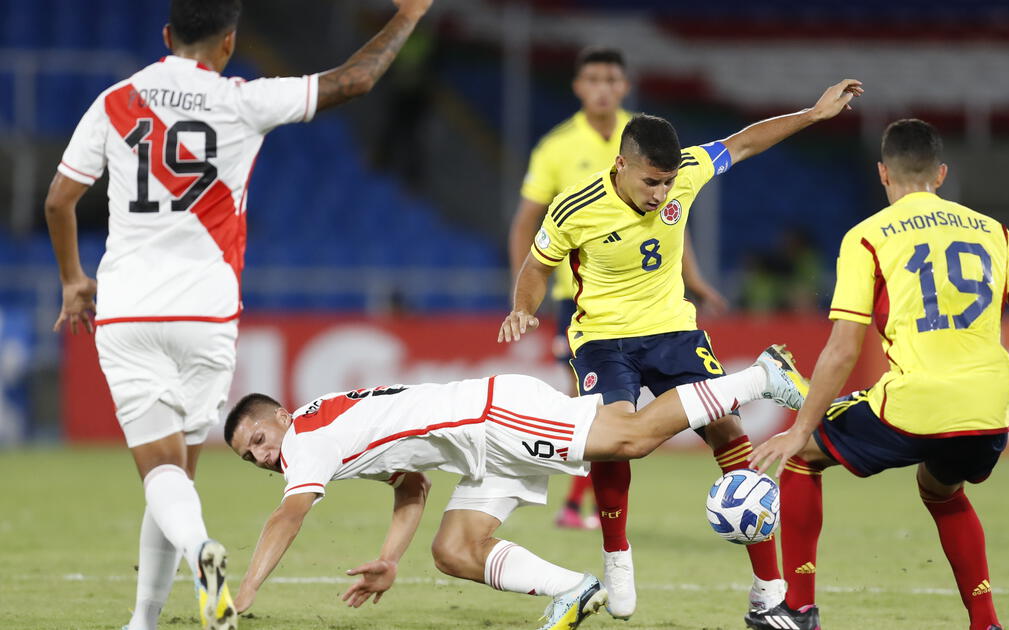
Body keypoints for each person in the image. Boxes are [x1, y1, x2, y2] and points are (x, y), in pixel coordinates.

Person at [43, 1, 434, 629]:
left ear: (167, 36)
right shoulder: (243, 99)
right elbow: (355, 80)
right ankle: (146, 618)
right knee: (178, 473)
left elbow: (60, 200)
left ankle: (198, 558)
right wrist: (410, 15)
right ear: (229, 43)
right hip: (207, 314)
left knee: (159, 475)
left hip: (129, 311)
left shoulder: (116, 100)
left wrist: (71, 280)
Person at [499, 79, 864, 621]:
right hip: (602, 339)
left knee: (728, 431)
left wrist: (811, 114)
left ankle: (768, 590)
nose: (662, 194)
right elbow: (537, 267)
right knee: (613, 440)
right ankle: (617, 560)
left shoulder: (686, 172)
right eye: (651, 182)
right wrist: (522, 307)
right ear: (621, 164)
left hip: (673, 330)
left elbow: (743, 142)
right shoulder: (574, 209)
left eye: (669, 183)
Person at [747, 119, 1009, 630]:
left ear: (883, 173)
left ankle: (798, 608)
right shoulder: (994, 230)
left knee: (805, 457)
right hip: (989, 407)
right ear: (942, 174)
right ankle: (986, 622)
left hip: (916, 400)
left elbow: (843, 347)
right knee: (941, 489)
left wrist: (798, 429)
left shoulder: (867, 236)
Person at [223, 345, 809, 630]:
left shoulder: (304, 438)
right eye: (247, 454)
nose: (259, 454)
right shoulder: (328, 432)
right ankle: (577, 590)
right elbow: (412, 487)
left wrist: (245, 588)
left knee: (628, 438)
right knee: (454, 550)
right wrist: (387, 558)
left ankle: (761, 374)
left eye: (256, 437)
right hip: (478, 446)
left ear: (279, 414)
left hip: (493, 419)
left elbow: (287, 518)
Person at [508, 46, 727, 530]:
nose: (603, 88)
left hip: (655, 305)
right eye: (593, 79)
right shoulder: (556, 148)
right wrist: (520, 300)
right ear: (578, 87)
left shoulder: (652, 141)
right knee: (594, 411)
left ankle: (573, 502)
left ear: (623, 86)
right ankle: (573, 501)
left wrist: (694, 281)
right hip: (581, 299)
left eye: (611, 79)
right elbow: (529, 227)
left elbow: (671, 218)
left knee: (612, 418)